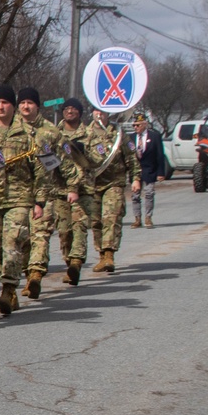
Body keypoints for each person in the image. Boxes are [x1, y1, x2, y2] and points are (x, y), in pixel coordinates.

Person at [0, 85, 44, 314]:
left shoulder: (27, 133)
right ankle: (10, 283)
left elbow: (40, 169)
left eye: (5, 103)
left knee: (12, 243)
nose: (0, 106)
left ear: (13, 106)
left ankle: (8, 290)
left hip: (19, 196)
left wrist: (40, 201)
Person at [15, 88, 81, 300]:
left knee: (40, 234)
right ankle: (27, 273)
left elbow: (66, 161)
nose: (26, 106)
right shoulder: (10, 128)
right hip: (17, 193)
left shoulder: (51, 132)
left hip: (47, 193)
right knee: (21, 239)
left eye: (30, 103)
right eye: (22, 102)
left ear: (37, 106)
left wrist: (72, 187)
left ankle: (35, 274)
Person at [87, 107, 141, 274]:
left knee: (111, 217)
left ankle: (110, 254)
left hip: (114, 183)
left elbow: (131, 156)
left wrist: (136, 178)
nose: (99, 114)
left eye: (103, 111)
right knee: (96, 222)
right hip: (93, 184)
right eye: (96, 110)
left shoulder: (118, 133)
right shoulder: (85, 133)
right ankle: (102, 254)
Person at [54, 98, 96, 285]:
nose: (70, 111)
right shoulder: (55, 133)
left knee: (80, 226)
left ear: (80, 112)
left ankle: (77, 262)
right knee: (64, 231)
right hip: (61, 189)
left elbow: (98, 158)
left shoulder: (90, 133)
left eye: (74, 108)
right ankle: (69, 261)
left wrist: (84, 152)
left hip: (84, 188)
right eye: (67, 108)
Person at [130, 113, 166, 229]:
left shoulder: (154, 136)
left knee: (149, 193)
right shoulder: (130, 138)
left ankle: (148, 217)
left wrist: (161, 172)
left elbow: (160, 155)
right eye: (134, 125)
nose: (136, 127)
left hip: (150, 169)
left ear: (144, 124)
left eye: (138, 125)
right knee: (135, 195)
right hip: (135, 170)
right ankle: (137, 218)